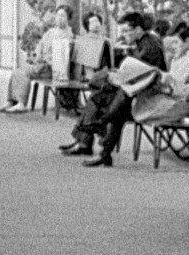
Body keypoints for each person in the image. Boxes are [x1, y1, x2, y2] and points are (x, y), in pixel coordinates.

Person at [61, 10, 165, 165]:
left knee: (112, 102)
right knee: (99, 96)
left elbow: (140, 76)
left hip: (146, 96)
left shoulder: (150, 47)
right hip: (135, 90)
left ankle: (94, 138)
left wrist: (116, 76)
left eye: (126, 31)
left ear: (138, 29)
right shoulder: (144, 42)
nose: (123, 35)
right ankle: (90, 139)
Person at [0, 6, 72, 113]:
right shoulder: (50, 32)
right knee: (17, 71)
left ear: (68, 19)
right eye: (58, 15)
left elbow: (61, 56)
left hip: (52, 68)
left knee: (25, 72)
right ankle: (11, 100)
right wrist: (37, 56)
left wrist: (46, 59)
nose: (60, 18)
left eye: (63, 16)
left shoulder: (68, 36)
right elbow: (40, 46)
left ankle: (22, 103)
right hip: (41, 63)